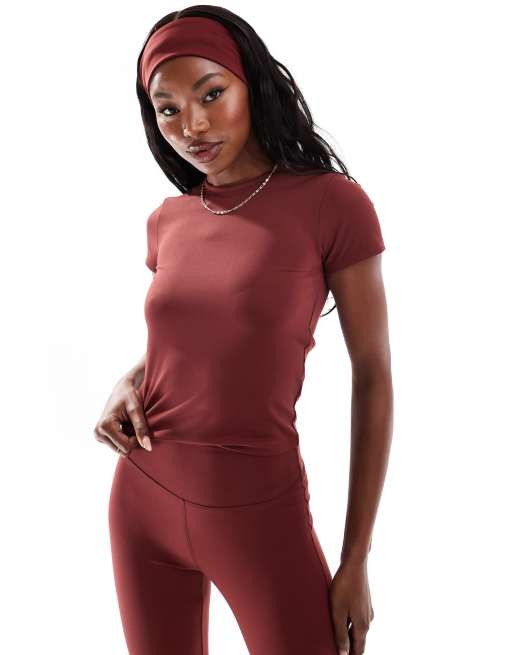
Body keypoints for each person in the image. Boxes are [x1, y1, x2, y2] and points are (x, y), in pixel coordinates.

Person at [94, 6, 393, 655]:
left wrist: (355, 558)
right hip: (142, 499)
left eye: (211, 94)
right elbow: (197, 337)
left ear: (250, 84)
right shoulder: (168, 220)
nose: (192, 126)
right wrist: (130, 380)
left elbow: (372, 374)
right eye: (168, 109)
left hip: (258, 511)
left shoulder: (331, 205)